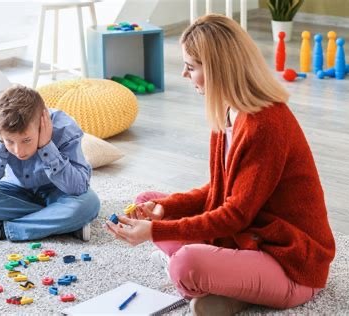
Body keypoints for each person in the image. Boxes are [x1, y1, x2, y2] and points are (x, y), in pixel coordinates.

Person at [106, 14, 335, 315]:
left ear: (217, 70)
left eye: (191, 67)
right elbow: (220, 189)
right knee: (148, 201)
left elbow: (235, 214)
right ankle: (236, 292)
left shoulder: (265, 124)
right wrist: (164, 212)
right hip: (250, 238)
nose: (185, 76)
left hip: (291, 261)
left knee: (185, 264)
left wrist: (153, 232)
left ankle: (239, 287)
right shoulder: (228, 111)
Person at [0, 85, 100, 242]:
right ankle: (62, 223)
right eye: (10, 141)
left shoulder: (65, 128)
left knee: (88, 204)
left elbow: (78, 186)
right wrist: (1, 144)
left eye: (26, 140)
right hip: (17, 192)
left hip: (58, 191)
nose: (19, 151)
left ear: (40, 125)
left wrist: (46, 147)